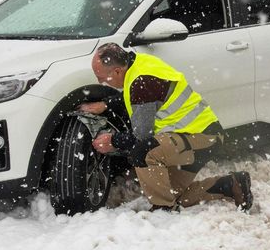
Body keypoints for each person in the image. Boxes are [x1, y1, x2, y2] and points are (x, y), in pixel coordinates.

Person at [78, 43, 253, 212]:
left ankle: (163, 210)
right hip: (197, 136)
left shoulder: (142, 82)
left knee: (142, 152)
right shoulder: (140, 63)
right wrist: (107, 104)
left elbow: (141, 135)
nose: (100, 82)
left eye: (101, 77)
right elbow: (139, 96)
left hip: (200, 138)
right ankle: (231, 185)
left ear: (117, 71)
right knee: (171, 194)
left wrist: (113, 140)